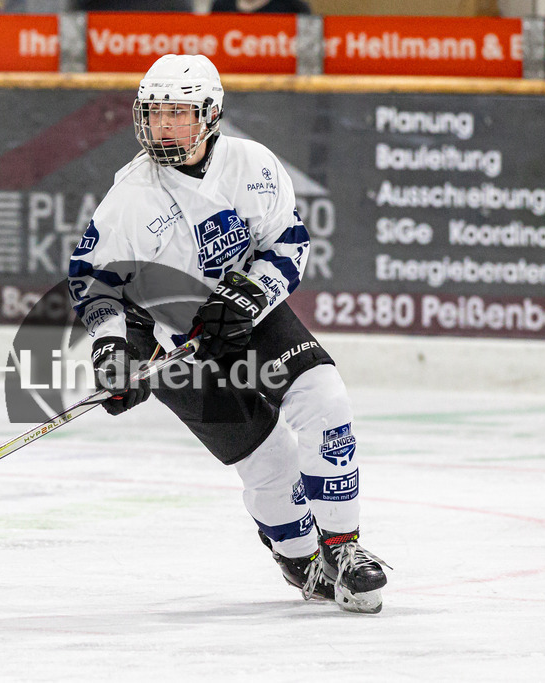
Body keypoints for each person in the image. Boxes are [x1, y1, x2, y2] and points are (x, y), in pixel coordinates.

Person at [67, 53, 388, 614]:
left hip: (242, 313)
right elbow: (92, 280)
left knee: (323, 395)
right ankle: (300, 559)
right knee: (266, 455)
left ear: (210, 115)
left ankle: (342, 547)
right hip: (164, 337)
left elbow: (289, 244)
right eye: (154, 113)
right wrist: (113, 351)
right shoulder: (130, 199)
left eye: (178, 114)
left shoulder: (252, 165)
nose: (163, 126)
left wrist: (253, 293)